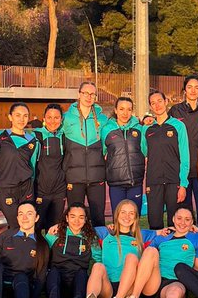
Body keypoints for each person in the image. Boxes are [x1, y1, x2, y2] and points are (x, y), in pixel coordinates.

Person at [128, 206, 198, 298]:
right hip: (154, 282)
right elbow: (137, 235)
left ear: (192, 222)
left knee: (175, 291)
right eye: (179, 218)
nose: (182, 223)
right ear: (173, 219)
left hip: (177, 282)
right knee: (150, 251)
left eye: (187, 219)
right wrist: (160, 231)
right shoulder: (162, 237)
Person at [83, 199, 157, 298]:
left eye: (131, 213)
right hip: (107, 287)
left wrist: (191, 229)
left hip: (129, 287)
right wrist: (57, 226)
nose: (127, 216)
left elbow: (167, 234)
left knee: (132, 258)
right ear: (117, 214)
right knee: (98, 266)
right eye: (123, 212)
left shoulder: (141, 236)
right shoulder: (105, 233)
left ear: (136, 217)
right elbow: (80, 227)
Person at [170, 74, 198, 227]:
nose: (193, 90)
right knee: (185, 213)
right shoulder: (175, 111)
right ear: (184, 90)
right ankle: (187, 246)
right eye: (189, 87)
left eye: (197, 87)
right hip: (182, 171)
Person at [61, 81, 107, 227]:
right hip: (74, 178)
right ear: (79, 95)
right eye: (85, 93)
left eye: (92, 94)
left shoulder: (103, 119)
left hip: (97, 177)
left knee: (98, 218)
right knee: (75, 219)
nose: (88, 96)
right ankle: (75, 249)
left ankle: (98, 248)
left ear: (95, 97)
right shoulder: (66, 118)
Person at [144, 89, 190, 228]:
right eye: (153, 103)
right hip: (154, 181)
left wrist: (183, 184)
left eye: (159, 101)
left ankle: (173, 248)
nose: (157, 105)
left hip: (173, 180)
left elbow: (185, 157)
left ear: (166, 102)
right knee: (154, 221)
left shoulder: (178, 126)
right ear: (150, 107)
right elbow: (144, 150)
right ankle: (155, 249)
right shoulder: (146, 129)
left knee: (175, 222)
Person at [45, 204, 100, 298]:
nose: (76, 221)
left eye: (81, 217)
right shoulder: (55, 233)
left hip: (79, 282)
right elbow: (43, 255)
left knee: (81, 273)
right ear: (67, 218)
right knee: (53, 272)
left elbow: (98, 259)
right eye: (73, 216)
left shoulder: (91, 237)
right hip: (58, 281)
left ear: (86, 219)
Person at [102, 96, 147, 214]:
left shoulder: (139, 129)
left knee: (133, 219)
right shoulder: (106, 130)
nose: (125, 113)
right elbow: (101, 153)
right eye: (121, 109)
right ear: (115, 110)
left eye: (129, 109)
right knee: (118, 219)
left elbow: (145, 151)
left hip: (135, 183)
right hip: (116, 184)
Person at [0, 102, 39, 228]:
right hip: (7, 188)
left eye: (25, 116)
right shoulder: (0, 137)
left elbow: (32, 166)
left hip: (26, 188)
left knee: (27, 226)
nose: (22, 119)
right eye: (18, 115)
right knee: (15, 226)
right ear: (10, 117)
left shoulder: (33, 140)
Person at [34, 103, 67, 232]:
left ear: (61, 119)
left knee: (54, 230)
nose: (53, 121)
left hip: (59, 191)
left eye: (56, 117)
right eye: (49, 117)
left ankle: (53, 252)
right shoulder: (36, 136)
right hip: (41, 191)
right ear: (44, 118)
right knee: (36, 229)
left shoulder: (64, 137)